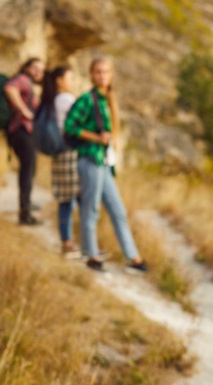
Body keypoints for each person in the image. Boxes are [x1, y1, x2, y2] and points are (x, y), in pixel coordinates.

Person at [65, 57, 147, 273]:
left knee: (118, 210)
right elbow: (69, 126)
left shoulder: (108, 100)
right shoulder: (87, 100)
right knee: (90, 209)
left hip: (104, 163)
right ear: (92, 74)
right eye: (98, 72)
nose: (102, 76)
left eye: (106, 72)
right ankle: (91, 255)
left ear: (111, 75)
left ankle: (134, 258)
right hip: (90, 159)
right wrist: (95, 137)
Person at [37, 66, 81, 258]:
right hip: (69, 152)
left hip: (59, 153)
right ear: (59, 80)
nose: (72, 82)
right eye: (70, 78)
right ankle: (72, 243)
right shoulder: (65, 99)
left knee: (66, 199)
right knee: (75, 200)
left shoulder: (53, 99)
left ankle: (68, 242)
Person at [4, 57, 45, 225]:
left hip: (24, 131)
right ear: (26, 67)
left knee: (30, 168)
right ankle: (25, 213)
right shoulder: (22, 79)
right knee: (27, 169)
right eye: (34, 67)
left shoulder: (29, 83)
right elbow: (10, 88)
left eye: (40, 70)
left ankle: (26, 203)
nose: (37, 72)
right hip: (20, 130)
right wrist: (24, 110)